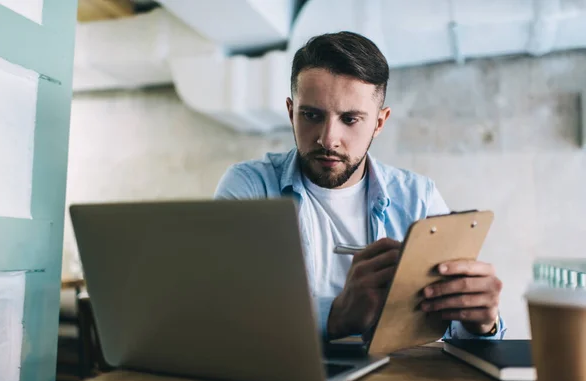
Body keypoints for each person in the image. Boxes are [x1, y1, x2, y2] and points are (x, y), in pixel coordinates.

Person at [214, 31, 505, 341]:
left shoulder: (419, 199)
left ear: (379, 123)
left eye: (350, 119)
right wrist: (336, 315)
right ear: (290, 112)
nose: (328, 139)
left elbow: (453, 331)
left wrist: (482, 324)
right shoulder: (249, 188)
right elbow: (219, 310)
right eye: (311, 115)